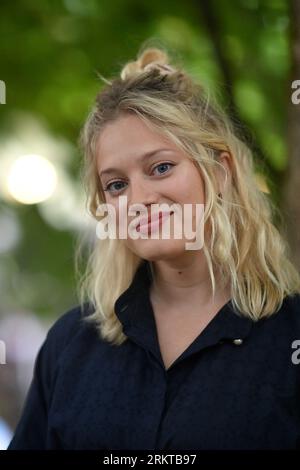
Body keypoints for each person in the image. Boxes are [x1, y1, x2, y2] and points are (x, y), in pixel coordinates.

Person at [7, 44, 300, 450]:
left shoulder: (290, 338)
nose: (139, 198)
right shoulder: (69, 346)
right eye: (117, 184)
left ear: (218, 172)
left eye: (161, 167)